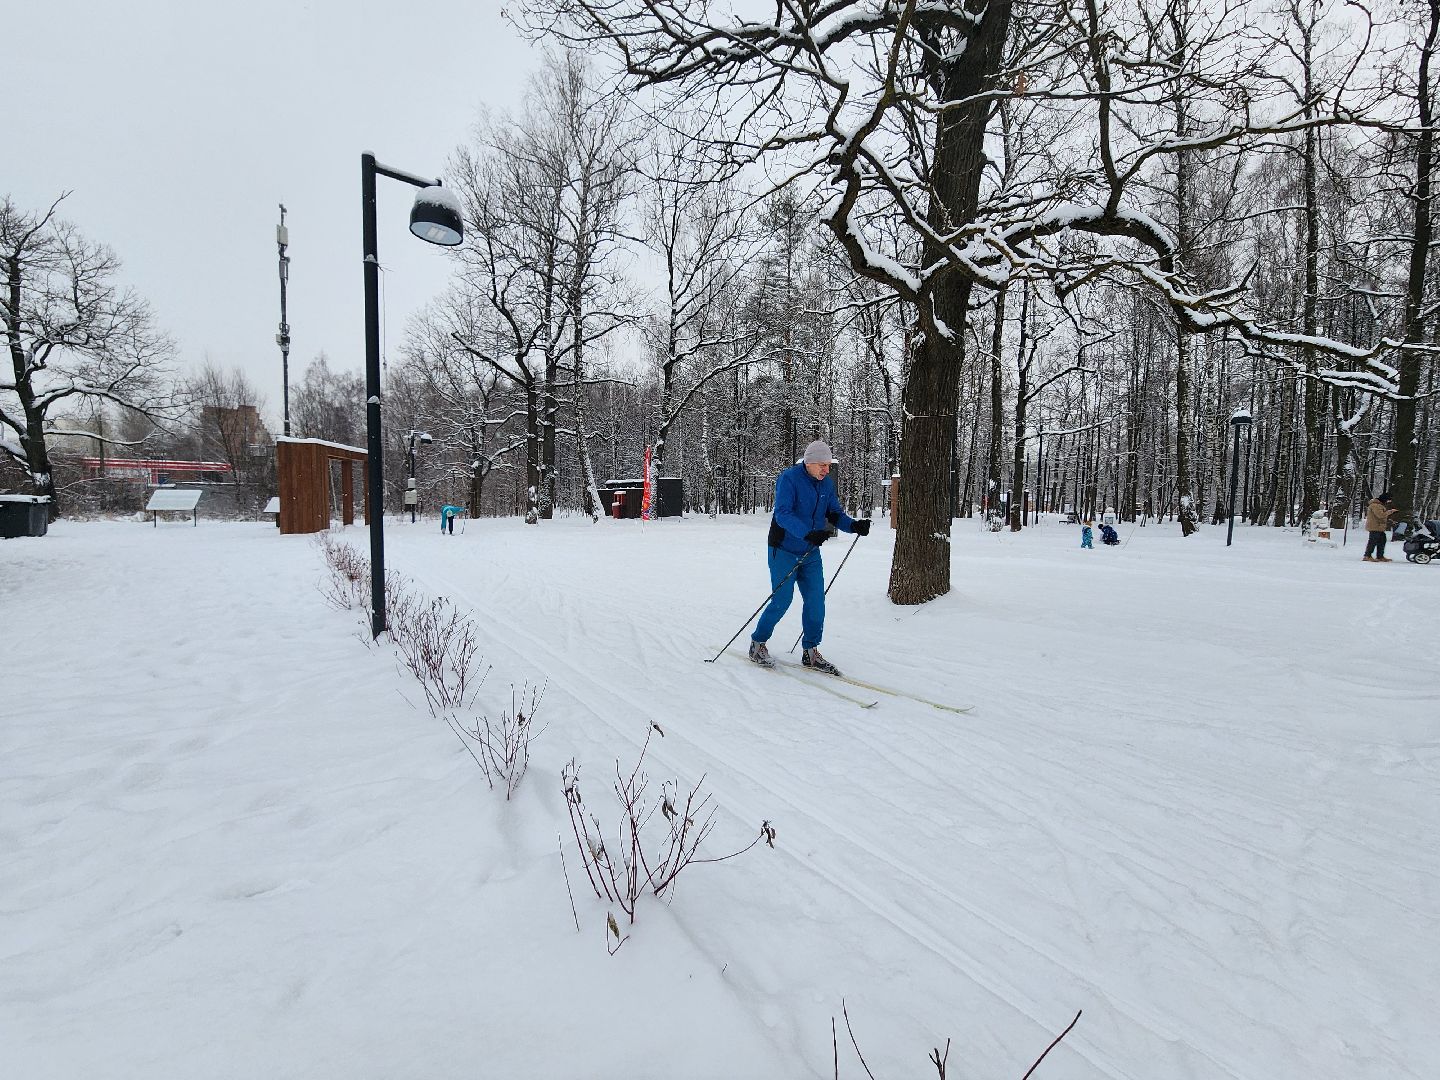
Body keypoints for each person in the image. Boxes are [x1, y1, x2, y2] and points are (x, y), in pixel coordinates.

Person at [749, 440, 870, 675]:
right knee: (782, 600)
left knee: (816, 602)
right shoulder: (789, 478)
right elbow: (782, 514)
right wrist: (807, 533)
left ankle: (811, 651)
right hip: (783, 548)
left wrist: (854, 526)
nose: (826, 470)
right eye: (822, 465)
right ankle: (757, 644)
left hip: (810, 552)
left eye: (828, 465)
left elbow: (834, 513)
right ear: (809, 462)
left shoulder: (825, 484)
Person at [1363, 491, 1398, 562]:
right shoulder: (1375, 505)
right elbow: (1380, 515)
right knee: (1372, 541)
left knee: (1382, 541)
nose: (1388, 502)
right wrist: (1390, 511)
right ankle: (1367, 556)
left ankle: (1380, 556)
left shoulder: (1379, 505)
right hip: (1374, 526)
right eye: (1388, 500)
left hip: (1379, 527)